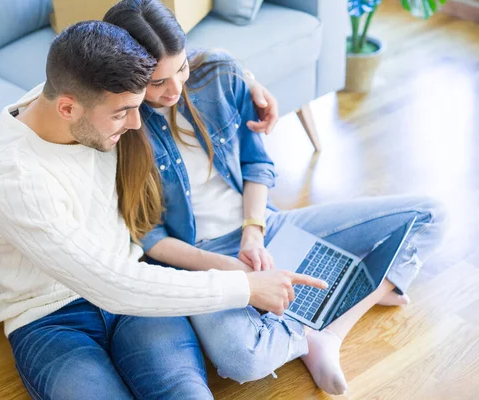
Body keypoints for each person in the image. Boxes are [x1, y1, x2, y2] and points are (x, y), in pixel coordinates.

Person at [104, 0, 447, 395]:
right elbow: (147, 234)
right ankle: (344, 296)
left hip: (265, 225)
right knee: (243, 358)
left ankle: (327, 332)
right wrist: (229, 269)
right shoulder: (118, 126)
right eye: (157, 82)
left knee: (429, 214)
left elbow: (256, 163)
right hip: (201, 260)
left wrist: (253, 231)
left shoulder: (217, 73)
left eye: (180, 68)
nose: (175, 90)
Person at [0, 20, 324, 400]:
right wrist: (244, 287)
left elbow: (152, 38)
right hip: (52, 318)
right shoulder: (15, 180)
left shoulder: (81, 94)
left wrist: (246, 80)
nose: (138, 124)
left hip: (135, 291)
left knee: (185, 394)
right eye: (124, 113)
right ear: (68, 108)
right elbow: (110, 284)